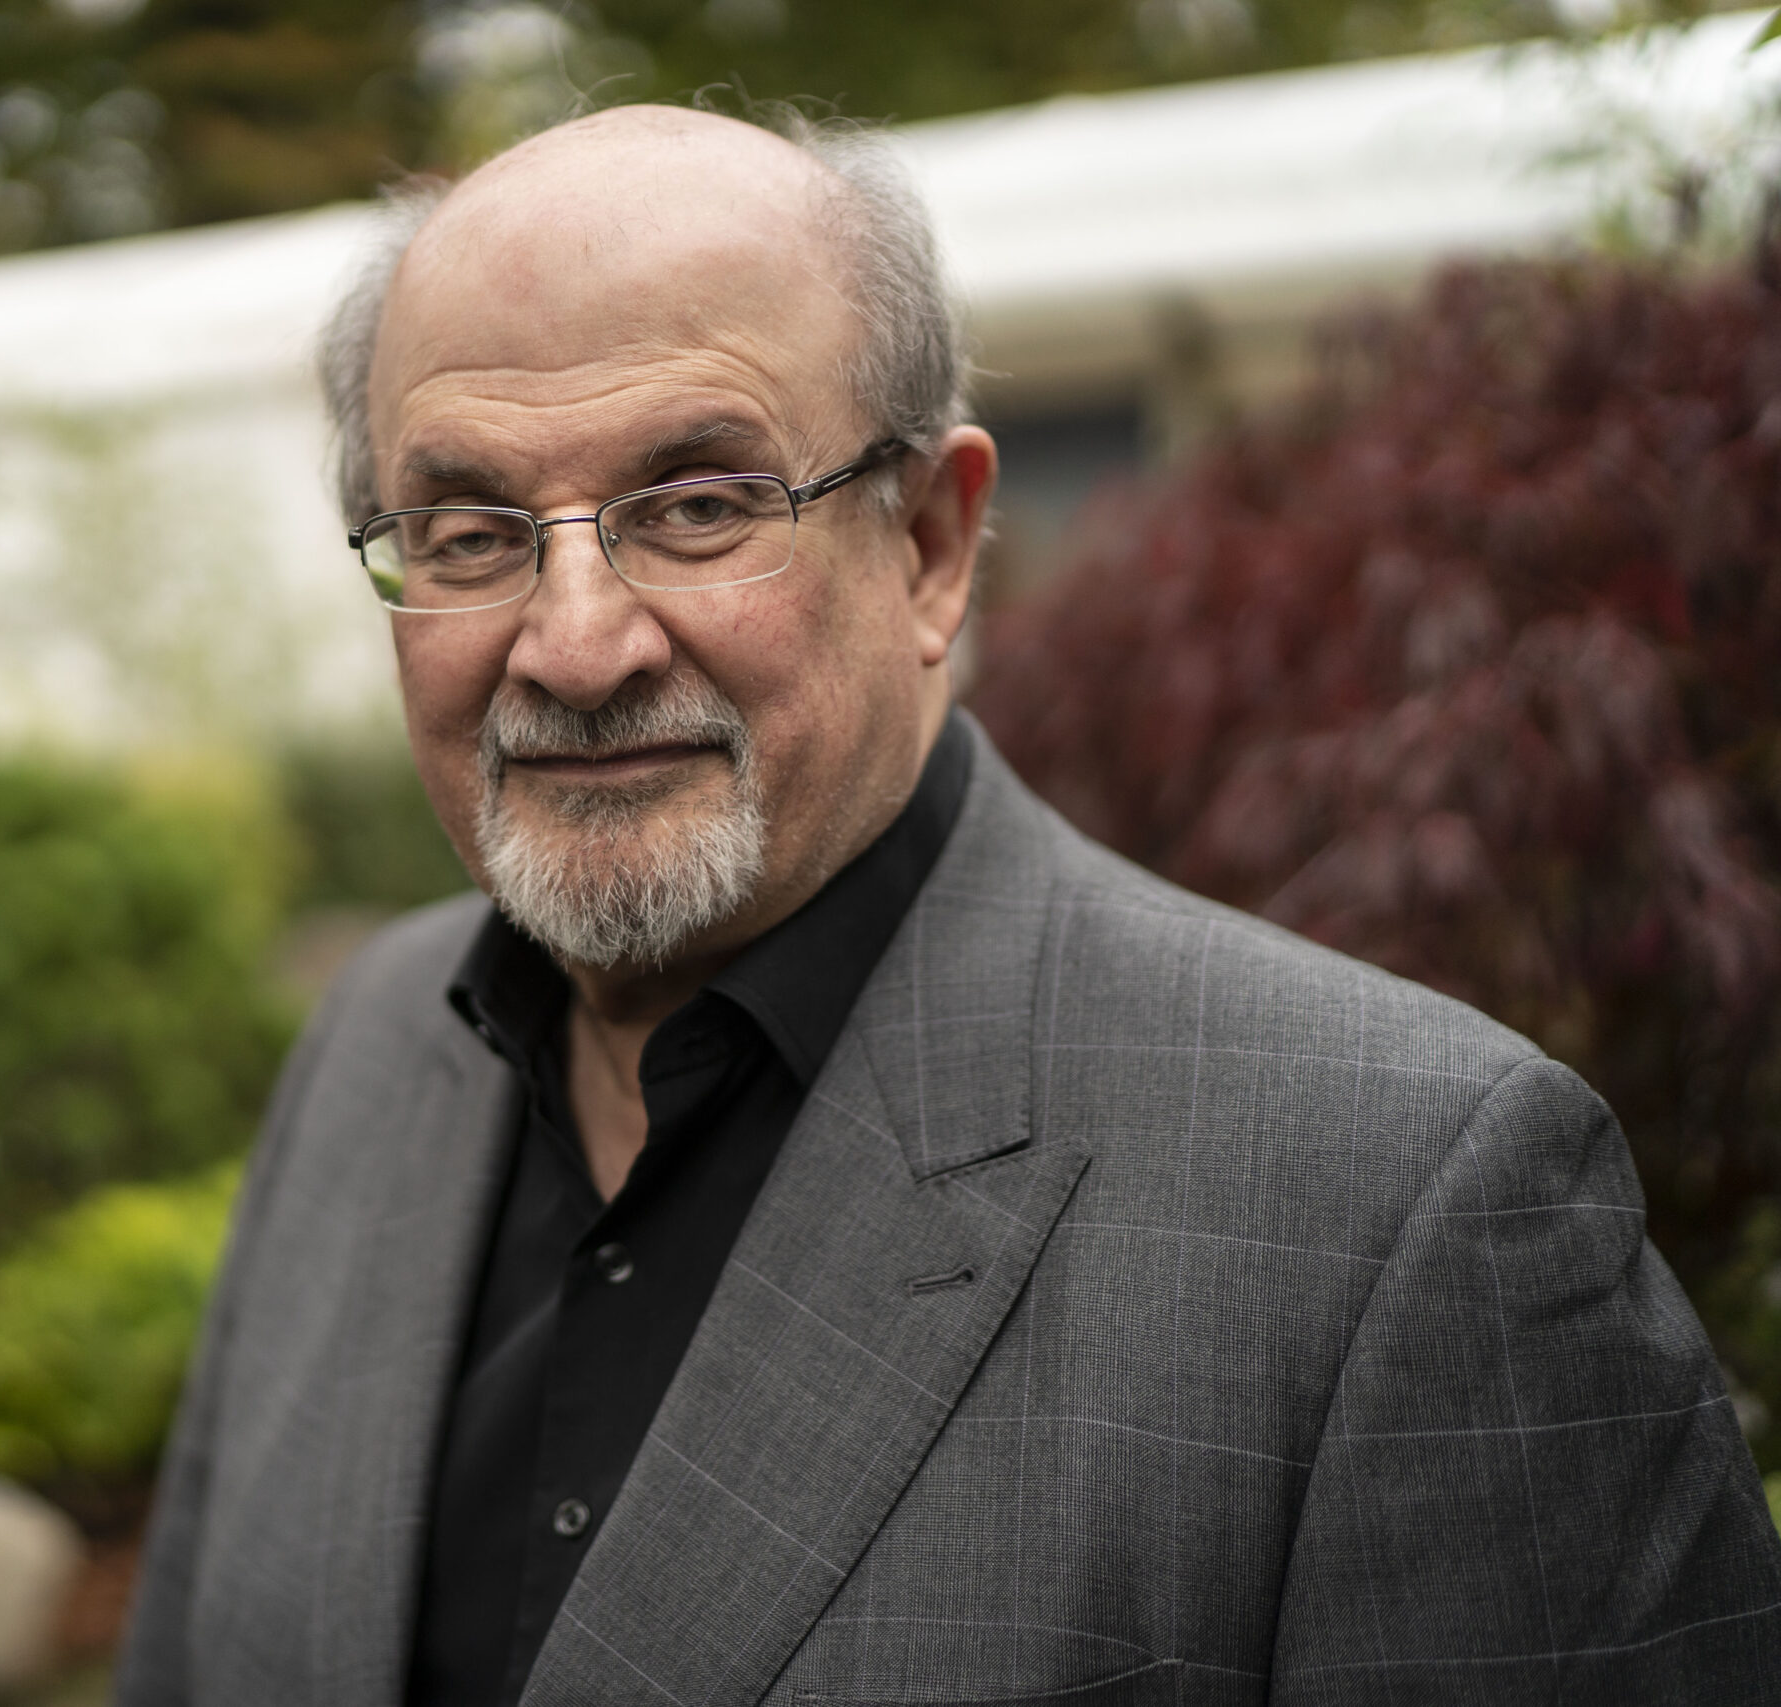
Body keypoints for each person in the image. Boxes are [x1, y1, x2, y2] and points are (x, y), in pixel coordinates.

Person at [115, 104, 1781, 1707]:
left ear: (929, 543)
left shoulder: (1406, 1210)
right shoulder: (370, 1052)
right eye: (469, 531)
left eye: (697, 507)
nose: (574, 642)